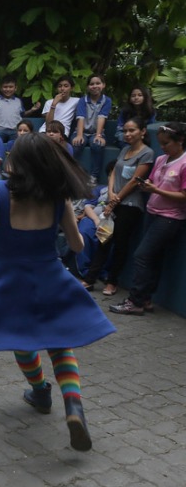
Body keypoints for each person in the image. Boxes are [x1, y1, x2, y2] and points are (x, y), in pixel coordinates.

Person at [0, 132, 115, 451]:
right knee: (60, 343)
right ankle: (73, 406)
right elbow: (75, 244)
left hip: (8, 277)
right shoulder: (57, 198)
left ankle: (40, 391)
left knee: (21, 341)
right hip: (49, 274)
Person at [110, 122, 186, 315]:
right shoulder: (161, 159)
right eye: (161, 143)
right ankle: (145, 300)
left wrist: (156, 190)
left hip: (170, 218)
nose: (163, 147)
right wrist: (148, 184)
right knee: (153, 258)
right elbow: (151, 179)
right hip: (152, 213)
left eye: (167, 143)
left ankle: (135, 300)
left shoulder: (184, 163)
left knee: (142, 255)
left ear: (180, 141)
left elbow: (183, 195)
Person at [79, 118, 154, 295]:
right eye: (126, 131)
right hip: (114, 203)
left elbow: (135, 180)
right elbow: (114, 174)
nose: (127, 134)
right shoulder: (125, 150)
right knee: (103, 240)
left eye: (132, 130)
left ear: (142, 131)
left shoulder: (147, 153)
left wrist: (116, 199)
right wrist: (111, 193)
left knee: (120, 244)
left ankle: (112, 282)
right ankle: (90, 279)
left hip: (130, 206)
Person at [72, 74, 112, 179]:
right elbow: (81, 117)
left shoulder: (106, 100)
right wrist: (79, 135)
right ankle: (73, 174)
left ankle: (94, 176)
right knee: (76, 144)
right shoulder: (82, 100)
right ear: (88, 87)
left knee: (97, 145)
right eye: (91, 84)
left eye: (98, 83)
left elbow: (101, 117)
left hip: (96, 132)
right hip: (82, 131)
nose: (94, 86)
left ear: (103, 85)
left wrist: (98, 135)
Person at [0, 75, 41, 144]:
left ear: (15, 88)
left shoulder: (18, 101)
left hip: (15, 130)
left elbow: (22, 114)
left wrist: (32, 110)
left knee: (19, 144)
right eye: (5, 87)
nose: (8, 89)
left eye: (10, 87)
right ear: (1, 88)